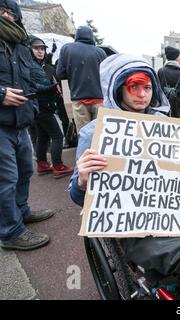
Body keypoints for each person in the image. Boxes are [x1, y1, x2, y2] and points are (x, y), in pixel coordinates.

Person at [68, 54, 180, 300]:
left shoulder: (165, 123)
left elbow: (178, 171)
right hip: (132, 215)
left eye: (147, 87)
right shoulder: (94, 132)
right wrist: (82, 180)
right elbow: (78, 197)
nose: (142, 94)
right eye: (134, 87)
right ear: (118, 89)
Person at [0, 0, 54, 251]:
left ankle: (21, 212)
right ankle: (10, 232)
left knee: (25, 171)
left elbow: (34, 75)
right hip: (2, 122)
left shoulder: (20, 42)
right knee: (6, 179)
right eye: (2, 10)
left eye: (11, 11)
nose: (6, 15)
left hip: (21, 120)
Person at [28, 35, 74, 178]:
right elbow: (33, 87)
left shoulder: (39, 65)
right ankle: (58, 166)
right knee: (57, 136)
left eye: (42, 49)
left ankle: (42, 164)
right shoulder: (30, 65)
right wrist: (52, 87)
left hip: (40, 106)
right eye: (36, 48)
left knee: (42, 136)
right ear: (29, 49)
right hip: (41, 105)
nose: (40, 51)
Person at [56, 26, 107, 132]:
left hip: (79, 98)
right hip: (100, 99)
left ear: (77, 36)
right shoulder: (101, 52)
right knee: (99, 135)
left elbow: (60, 74)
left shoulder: (67, 49)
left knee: (84, 135)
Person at [158, 46, 180, 120]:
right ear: (176, 57)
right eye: (179, 56)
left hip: (164, 107)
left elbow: (158, 88)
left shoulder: (161, 71)